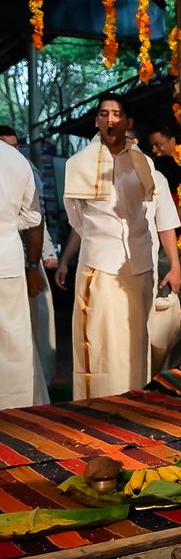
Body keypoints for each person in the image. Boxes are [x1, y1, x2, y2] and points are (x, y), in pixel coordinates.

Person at [57, 92, 181, 400]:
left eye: (116, 114)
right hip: (99, 266)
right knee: (99, 343)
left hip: (139, 266)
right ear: (97, 120)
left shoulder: (146, 166)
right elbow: (77, 220)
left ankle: (134, 404)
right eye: (103, 114)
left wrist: (175, 266)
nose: (110, 119)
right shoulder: (78, 164)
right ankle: (97, 407)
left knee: (136, 342)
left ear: (128, 122)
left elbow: (165, 220)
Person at [0, 126, 56, 392]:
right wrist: (10, 224)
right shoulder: (17, 161)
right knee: (15, 343)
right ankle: (17, 407)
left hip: (14, 259)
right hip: (9, 259)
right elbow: (34, 217)